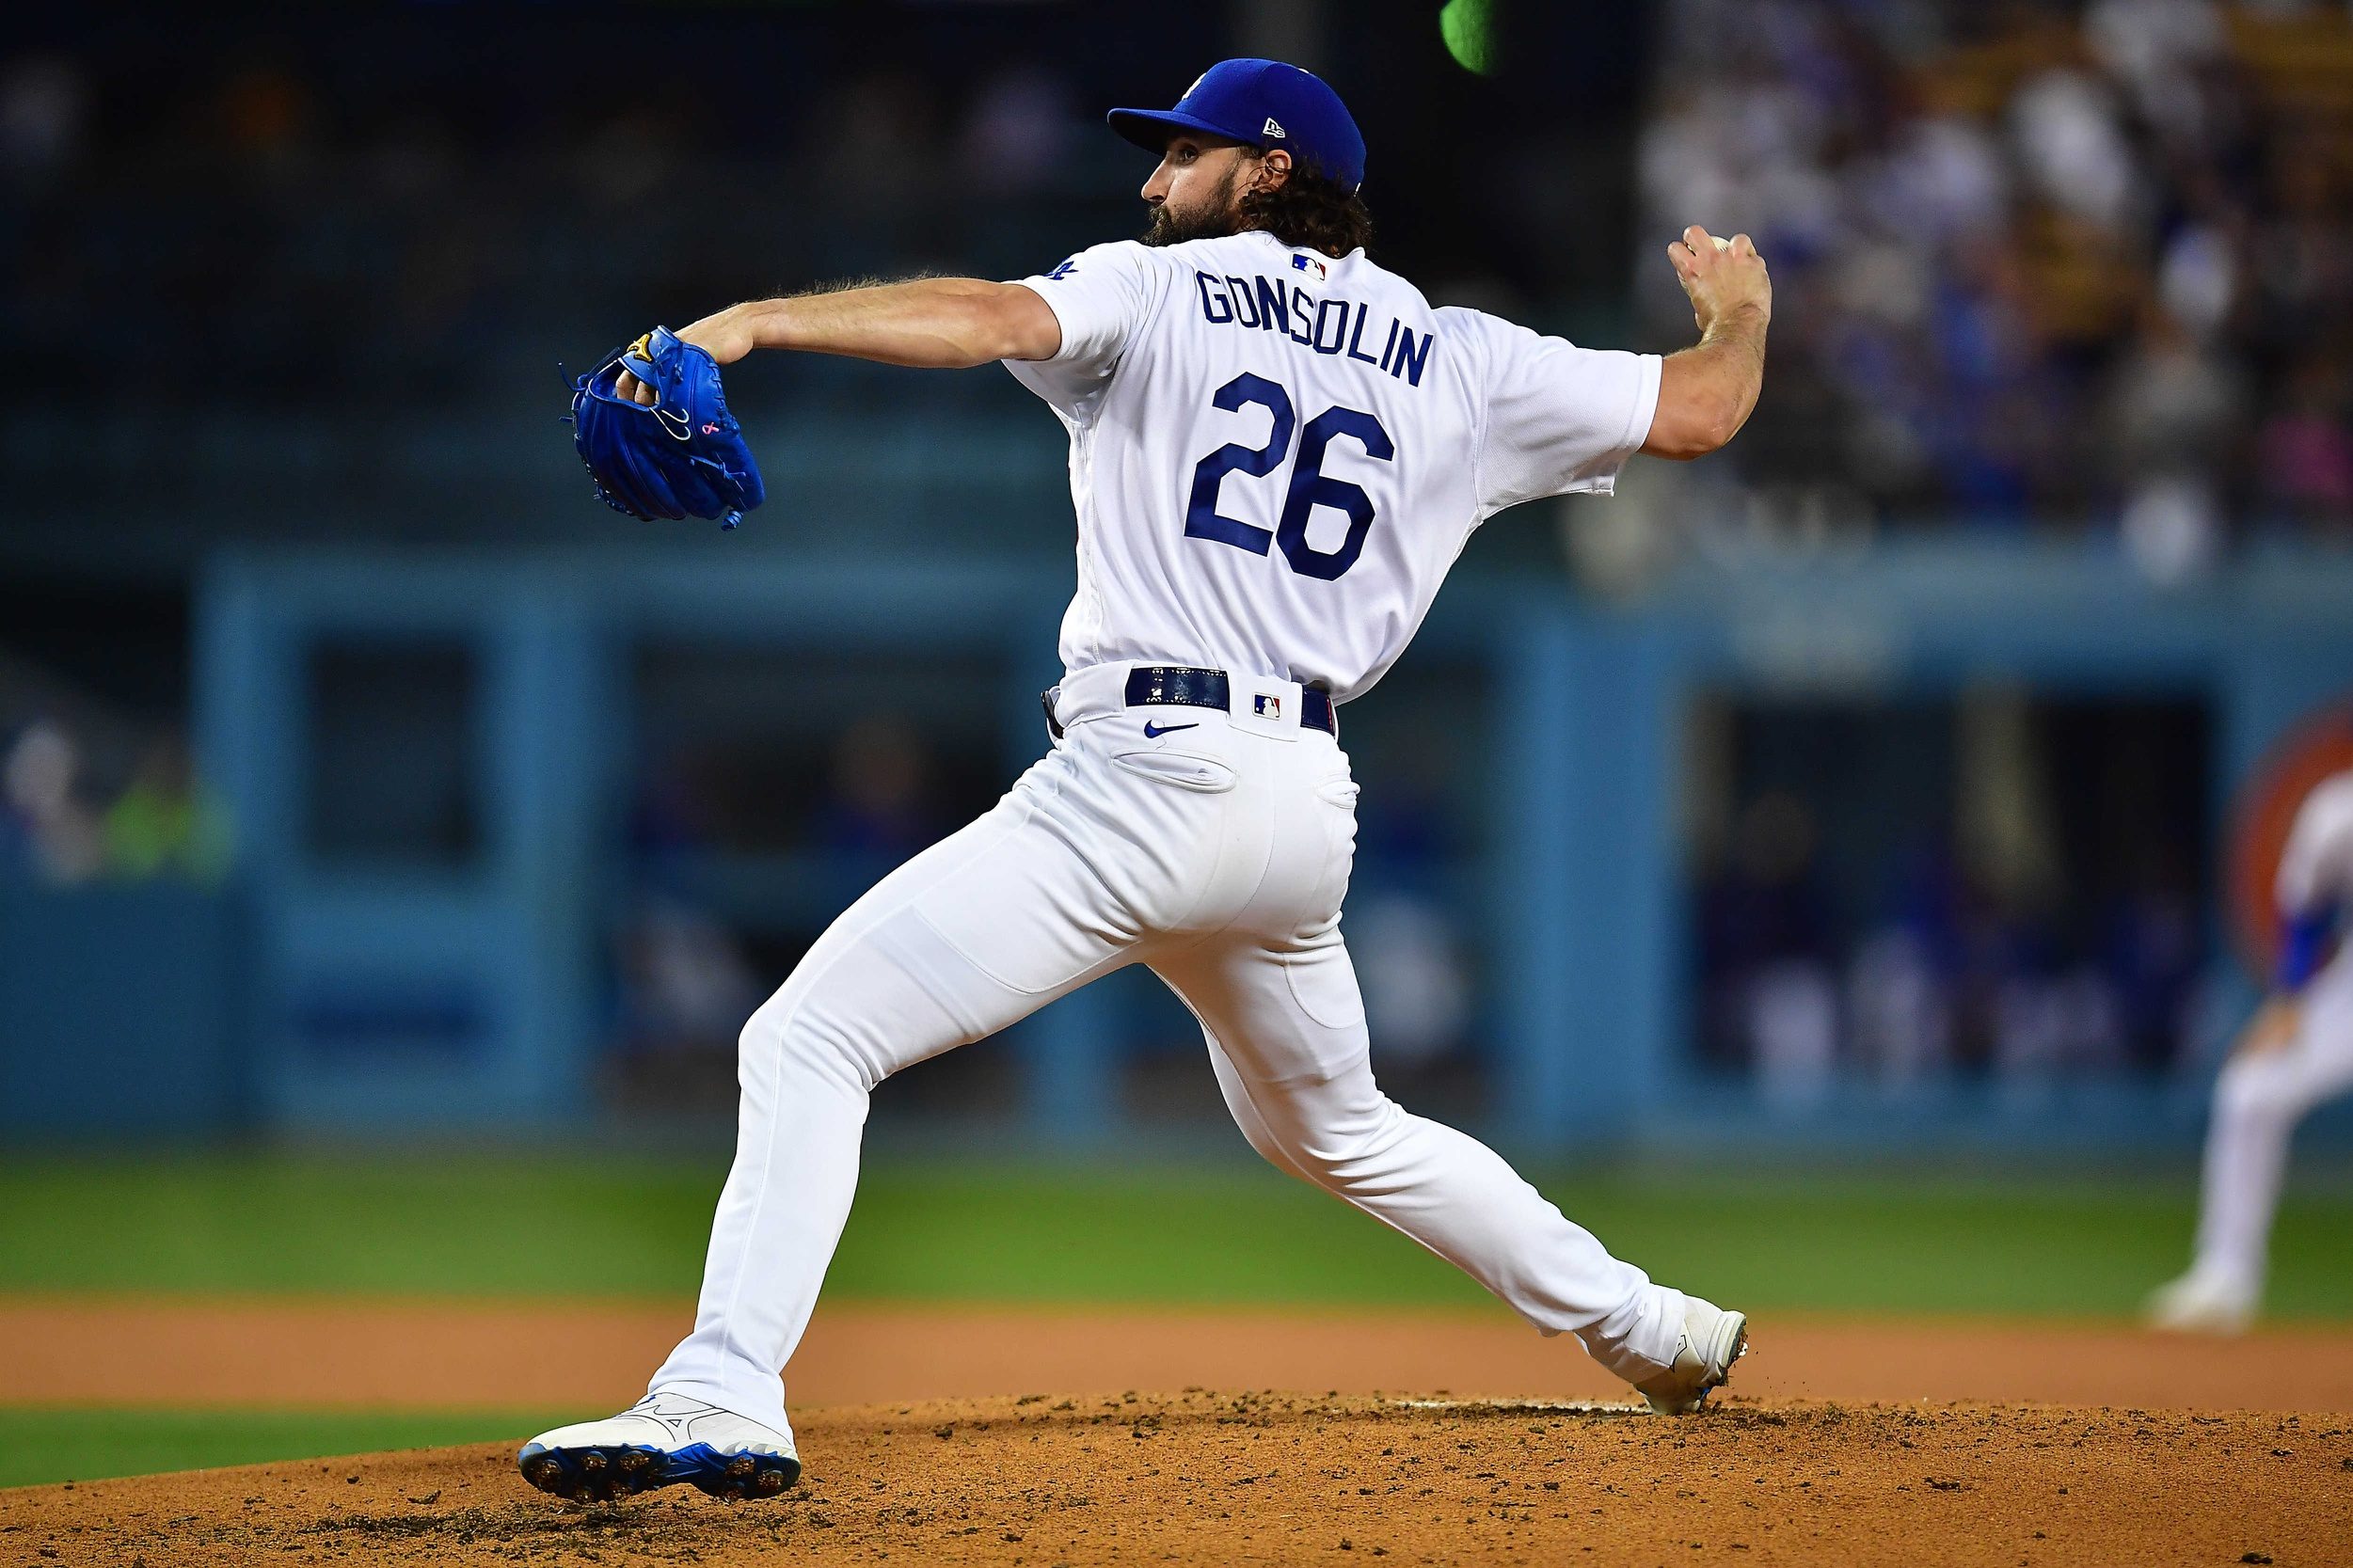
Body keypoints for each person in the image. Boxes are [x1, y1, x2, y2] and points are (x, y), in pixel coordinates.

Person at [520, 58, 1772, 1501]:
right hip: (1300, 804)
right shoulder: (1462, 352)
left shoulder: (1160, 288)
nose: (1150, 181)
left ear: (1267, 167)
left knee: (807, 1040)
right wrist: (1738, 310)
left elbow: (991, 317)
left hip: (1143, 773)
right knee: (1339, 1126)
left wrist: (751, 324)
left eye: (1182, 154)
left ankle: (723, 1387)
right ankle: (1652, 1324)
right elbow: (1699, 411)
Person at [2149, 767, 2353, 1333]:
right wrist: (2289, 999)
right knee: (2251, 1088)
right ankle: (2225, 1277)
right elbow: (2307, 909)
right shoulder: (2336, 813)